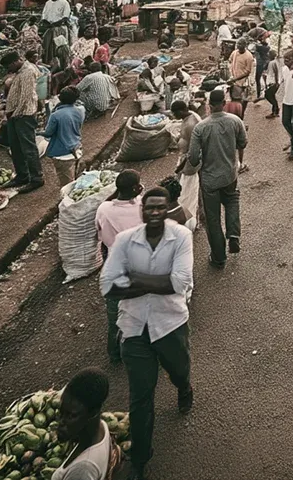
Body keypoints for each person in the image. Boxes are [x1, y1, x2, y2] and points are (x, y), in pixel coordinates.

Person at [98, 188, 194, 480]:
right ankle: (140, 458)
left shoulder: (181, 237)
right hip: (134, 328)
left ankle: (184, 387)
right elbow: (108, 285)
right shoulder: (126, 241)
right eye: (149, 208)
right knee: (141, 396)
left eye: (159, 208)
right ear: (141, 210)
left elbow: (179, 283)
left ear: (167, 209)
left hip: (170, 324)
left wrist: (136, 280)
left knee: (178, 370)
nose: (154, 213)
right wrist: (152, 282)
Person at [188, 89, 247, 268]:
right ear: (224, 103)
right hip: (229, 175)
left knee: (212, 218)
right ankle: (234, 235)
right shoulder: (235, 121)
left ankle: (219, 257)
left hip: (209, 179)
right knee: (231, 200)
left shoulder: (200, 127)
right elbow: (243, 143)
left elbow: (193, 158)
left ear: (209, 106)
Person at [52, 368, 115, 480]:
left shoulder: (83, 470)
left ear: (93, 413)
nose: (61, 421)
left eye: (71, 416)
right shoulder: (100, 426)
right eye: (61, 412)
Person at [1, 51, 44, 193]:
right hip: (15, 115)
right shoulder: (20, 71)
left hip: (23, 115)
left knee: (28, 148)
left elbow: (25, 98)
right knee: (16, 147)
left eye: (8, 67)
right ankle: (22, 175)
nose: (8, 70)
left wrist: (14, 114)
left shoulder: (27, 72)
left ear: (14, 62)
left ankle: (36, 178)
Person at [45, 87, 85, 187]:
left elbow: (48, 133)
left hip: (62, 154)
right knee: (75, 179)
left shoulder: (55, 115)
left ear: (60, 98)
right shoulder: (80, 111)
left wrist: (37, 133)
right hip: (76, 148)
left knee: (67, 186)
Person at [171, 100, 202, 230]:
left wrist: (182, 166)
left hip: (189, 164)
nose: (173, 116)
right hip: (186, 160)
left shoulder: (191, 124)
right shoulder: (189, 117)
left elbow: (193, 150)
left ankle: (190, 221)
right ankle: (197, 216)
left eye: (174, 113)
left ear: (181, 111)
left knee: (188, 193)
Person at [228, 39, 255, 114]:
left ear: (245, 46)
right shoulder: (234, 53)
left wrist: (235, 79)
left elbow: (247, 72)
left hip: (242, 82)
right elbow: (230, 61)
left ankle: (240, 118)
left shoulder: (249, 56)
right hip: (233, 81)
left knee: (241, 102)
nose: (238, 46)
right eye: (238, 44)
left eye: (240, 44)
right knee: (234, 101)